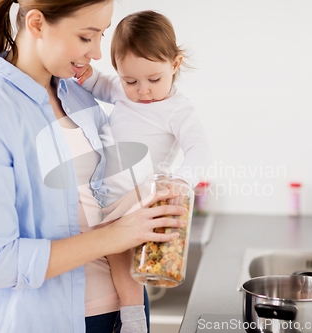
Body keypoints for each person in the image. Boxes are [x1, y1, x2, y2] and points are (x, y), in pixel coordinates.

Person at [0, 1, 187, 332]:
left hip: (126, 312)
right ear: (37, 24)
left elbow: (102, 192)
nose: (99, 53)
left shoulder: (76, 94)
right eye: (87, 37)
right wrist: (116, 235)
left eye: (102, 34)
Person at [74, 9, 211, 330]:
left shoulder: (178, 109)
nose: (143, 90)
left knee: (123, 254)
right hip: (106, 193)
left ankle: (134, 316)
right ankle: (132, 312)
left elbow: (199, 150)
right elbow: (100, 85)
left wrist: (181, 180)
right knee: (111, 251)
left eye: (154, 79)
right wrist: (85, 75)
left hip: (142, 195)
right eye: (131, 80)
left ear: (174, 65)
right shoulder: (122, 89)